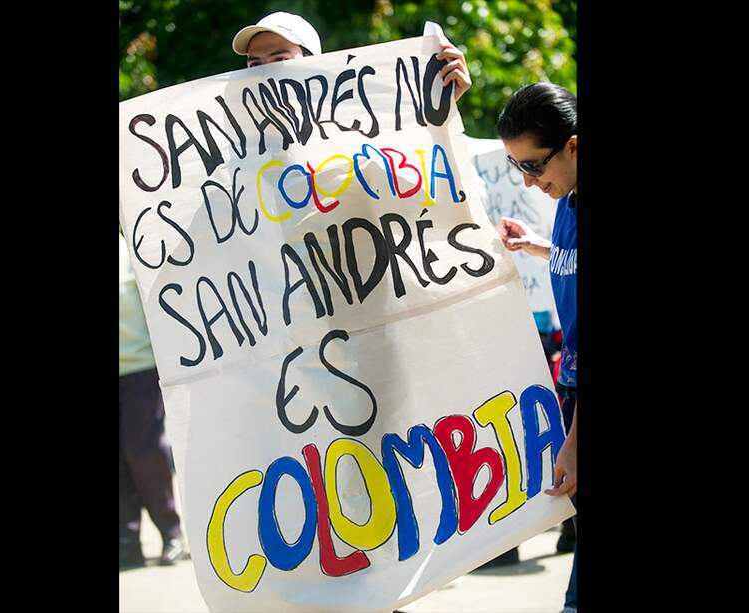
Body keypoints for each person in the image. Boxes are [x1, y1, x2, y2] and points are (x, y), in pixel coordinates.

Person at [495, 82, 577, 613]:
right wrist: (539, 244)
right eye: (517, 168)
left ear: (574, 145)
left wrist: (575, 439)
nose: (529, 180)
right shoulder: (568, 200)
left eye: (534, 165)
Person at [120, 232, 187, 569]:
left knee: (145, 452)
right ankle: (126, 542)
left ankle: (171, 533)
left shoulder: (129, 254)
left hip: (139, 369)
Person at [232, 11, 471, 100]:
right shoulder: (232, 139)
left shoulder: (352, 119)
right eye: (255, 65)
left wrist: (441, 102)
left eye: (280, 60)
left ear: (313, 62)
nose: (265, 72)